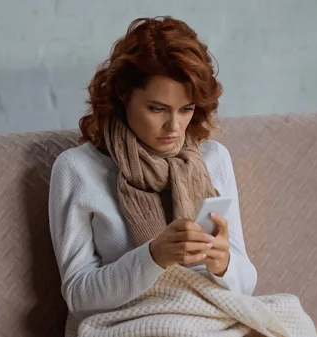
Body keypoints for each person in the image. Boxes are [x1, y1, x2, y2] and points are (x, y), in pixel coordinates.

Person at [48, 16, 257, 333]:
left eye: (185, 109)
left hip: (210, 320)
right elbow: (79, 297)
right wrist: (153, 256)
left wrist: (222, 262)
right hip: (127, 326)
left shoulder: (213, 159)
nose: (173, 127)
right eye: (157, 109)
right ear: (122, 94)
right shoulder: (77, 169)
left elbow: (246, 284)